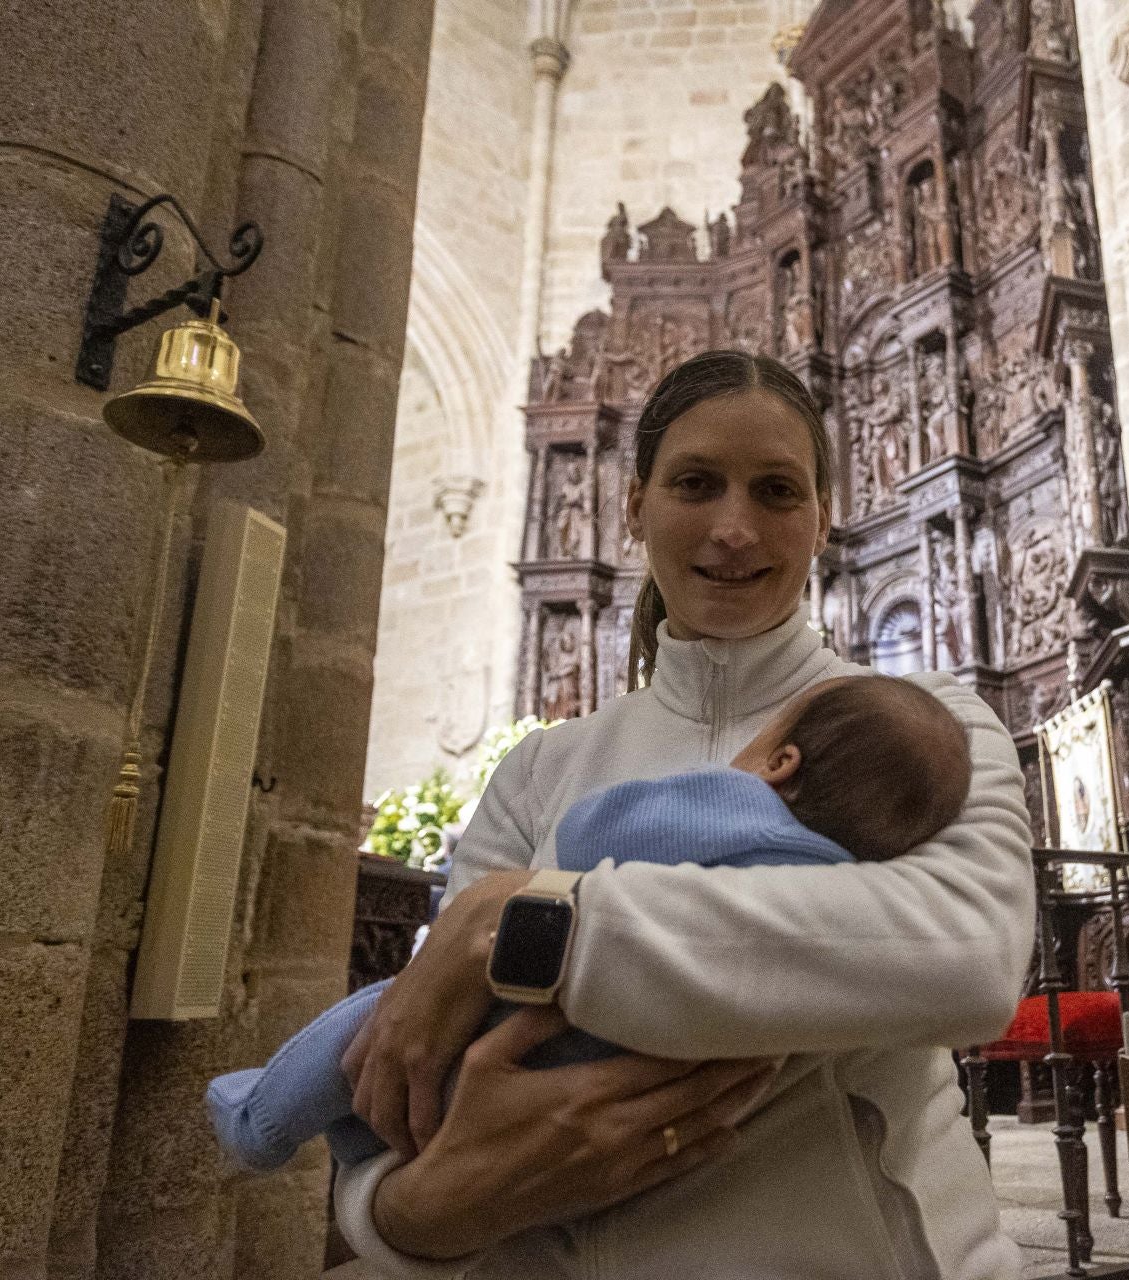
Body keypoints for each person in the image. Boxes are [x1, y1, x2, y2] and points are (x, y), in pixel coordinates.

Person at [332, 350, 1034, 1277]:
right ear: (634, 506)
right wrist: (408, 1219)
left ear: (822, 518)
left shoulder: (921, 726)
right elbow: (426, 1061)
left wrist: (523, 924)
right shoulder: (543, 769)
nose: (734, 528)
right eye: (696, 483)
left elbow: (964, 957)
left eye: (776, 491)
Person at [205, 674, 972, 1172]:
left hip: (541, 1015)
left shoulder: (735, 805)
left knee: (372, 1022)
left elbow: (594, 835)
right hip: (638, 1081)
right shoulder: (847, 881)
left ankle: (259, 1117)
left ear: (781, 763)